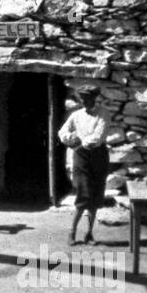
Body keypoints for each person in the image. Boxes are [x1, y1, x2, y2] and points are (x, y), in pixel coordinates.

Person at [58, 86, 110, 244]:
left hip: (98, 157)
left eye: (88, 99)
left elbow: (98, 137)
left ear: (95, 98)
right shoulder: (76, 115)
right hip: (81, 158)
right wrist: (70, 139)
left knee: (95, 195)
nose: (85, 102)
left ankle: (89, 233)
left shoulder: (103, 113)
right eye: (83, 99)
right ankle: (72, 232)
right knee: (83, 194)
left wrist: (81, 142)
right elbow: (62, 132)